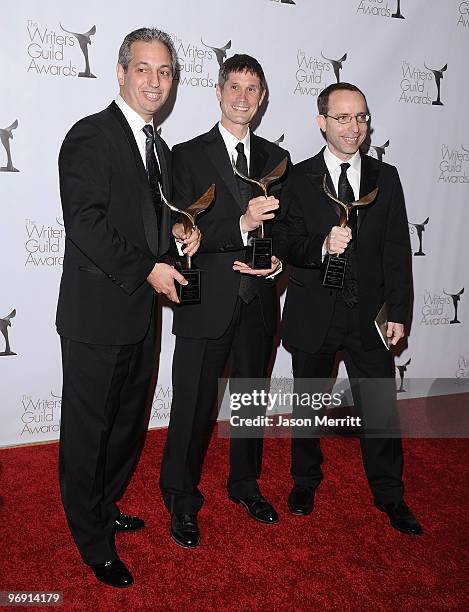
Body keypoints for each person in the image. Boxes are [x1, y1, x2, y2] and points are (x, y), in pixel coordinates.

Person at [56, 27, 199, 588]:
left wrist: (179, 239)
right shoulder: (90, 136)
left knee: (125, 426)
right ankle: (91, 538)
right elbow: (85, 224)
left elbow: (146, 226)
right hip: (97, 314)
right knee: (90, 428)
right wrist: (148, 267)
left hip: (142, 315)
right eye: (143, 69)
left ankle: (105, 502)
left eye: (164, 72)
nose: (155, 81)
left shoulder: (158, 147)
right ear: (121, 73)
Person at [280, 82, 422, 535]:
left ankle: (390, 494)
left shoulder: (387, 177)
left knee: (379, 406)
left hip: (369, 317)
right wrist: (322, 246)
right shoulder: (298, 178)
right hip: (314, 312)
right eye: (342, 118)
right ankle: (304, 480)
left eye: (360, 117)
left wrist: (398, 311)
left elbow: (397, 249)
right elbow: (286, 242)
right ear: (321, 122)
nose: (353, 127)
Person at [159, 54, 290, 548]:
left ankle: (245, 485)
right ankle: (180, 496)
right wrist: (241, 226)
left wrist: (275, 263)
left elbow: (288, 231)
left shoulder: (279, 159)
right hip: (204, 300)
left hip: (257, 301)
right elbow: (181, 233)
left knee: (252, 403)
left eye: (252, 89)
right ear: (217, 91)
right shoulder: (186, 155)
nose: (242, 97)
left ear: (261, 97)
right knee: (192, 406)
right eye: (233, 86)